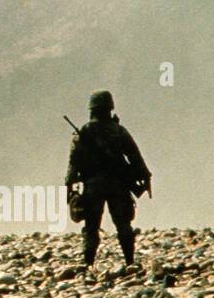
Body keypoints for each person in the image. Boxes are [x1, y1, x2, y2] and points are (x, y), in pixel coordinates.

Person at [65, 90, 152, 268]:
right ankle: (130, 261)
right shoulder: (119, 131)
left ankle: (88, 264)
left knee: (91, 227)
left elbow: (74, 161)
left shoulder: (83, 133)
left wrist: (69, 184)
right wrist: (145, 176)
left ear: (92, 109)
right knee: (123, 224)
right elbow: (135, 157)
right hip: (118, 185)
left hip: (93, 186)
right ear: (110, 108)